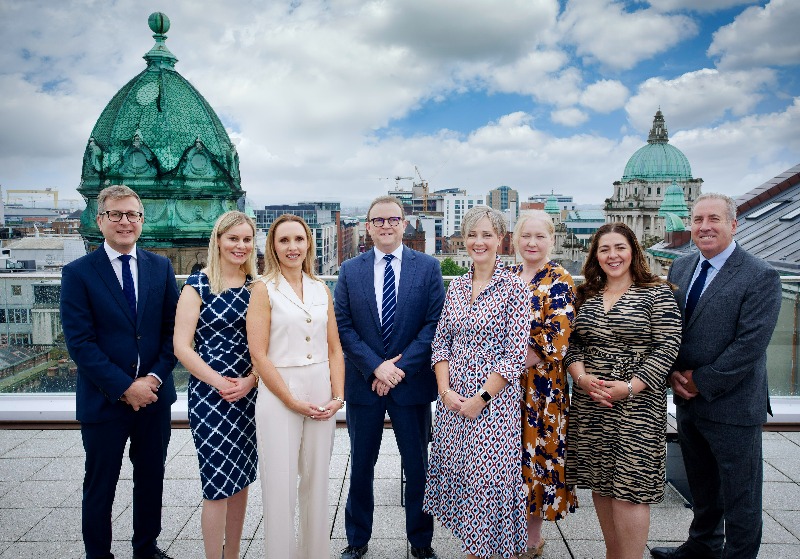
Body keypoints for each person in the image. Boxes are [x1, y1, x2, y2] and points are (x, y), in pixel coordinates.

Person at [651, 194, 782, 559]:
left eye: (714, 219)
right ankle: (702, 545)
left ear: (733, 225)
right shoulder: (681, 267)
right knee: (703, 483)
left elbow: (750, 345)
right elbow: (672, 329)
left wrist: (700, 382)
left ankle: (739, 555)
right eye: (697, 220)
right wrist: (674, 374)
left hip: (734, 404)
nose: (704, 226)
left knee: (741, 492)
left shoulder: (760, 275)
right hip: (688, 401)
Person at [60, 185, 178, 559]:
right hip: (104, 399)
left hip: (154, 398)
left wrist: (153, 379)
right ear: (101, 220)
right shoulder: (78, 273)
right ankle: (98, 554)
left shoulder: (160, 267)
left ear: (142, 220)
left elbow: (172, 333)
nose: (125, 222)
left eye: (132, 215)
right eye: (116, 214)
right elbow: (80, 343)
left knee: (150, 480)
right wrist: (126, 387)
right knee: (100, 484)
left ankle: (146, 549)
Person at [334, 195, 445, 559]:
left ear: (402, 223)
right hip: (365, 385)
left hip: (410, 384)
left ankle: (420, 542)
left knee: (417, 468)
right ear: (367, 226)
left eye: (392, 219)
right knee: (361, 466)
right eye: (378, 220)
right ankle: (357, 540)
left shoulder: (427, 268)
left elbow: (434, 325)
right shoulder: (350, 270)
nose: (385, 225)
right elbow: (344, 326)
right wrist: (375, 366)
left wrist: (397, 369)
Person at [565, 222, 682, 559]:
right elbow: (570, 344)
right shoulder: (585, 294)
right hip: (592, 401)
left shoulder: (657, 293)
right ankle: (612, 554)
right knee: (602, 481)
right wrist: (583, 380)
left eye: (619, 248)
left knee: (631, 488)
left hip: (638, 404)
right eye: (605, 249)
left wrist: (630, 387)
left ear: (634, 251)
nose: (612, 255)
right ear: (595, 255)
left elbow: (667, 346)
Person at [423, 206, 529, 559]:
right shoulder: (456, 286)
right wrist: (445, 391)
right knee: (463, 482)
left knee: (488, 485)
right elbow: (441, 343)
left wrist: (480, 398)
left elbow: (514, 357)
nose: (478, 242)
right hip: (453, 403)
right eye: (472, 234)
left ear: (501, 240)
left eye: (487, 234)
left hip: (493, 407)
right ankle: (476, 552)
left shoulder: (514, 288)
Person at [247, 213, 345, 558]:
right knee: (280, 486)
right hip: (278, 393)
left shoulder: (321, 288)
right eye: (284, 240)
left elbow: (334, 347)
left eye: (299, 240)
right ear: (272, 246)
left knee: (317, 483)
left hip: (320, 390)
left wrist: (338, 396)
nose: (292, 247)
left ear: (309, 244)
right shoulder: (263, 289)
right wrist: (289, 400)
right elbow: (258, 355)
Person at [173, 211, 259, 559]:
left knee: (240, 478)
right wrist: (220, 382)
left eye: (246, 239)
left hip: (249, 395)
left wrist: (251, 380)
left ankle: (233, 554)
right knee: (217, 484)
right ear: (218, 241)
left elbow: (266, 345)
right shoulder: (198, 285)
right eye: (233, 238)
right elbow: (181, 346)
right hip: (210, 397)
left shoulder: (258, 286)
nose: (240, 246)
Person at [510, 210, 577, 558]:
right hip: (504, 389)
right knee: (511, 460)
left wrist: (500, 368)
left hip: (540, 390)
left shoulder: (561, 280)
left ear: (552, 240)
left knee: (536, 458)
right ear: (516, 240)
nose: (532, 243)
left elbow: (553, 341)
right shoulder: (506, 276)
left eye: (539, 236)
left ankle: (531, 540)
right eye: (526, 236)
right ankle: (508, 530)